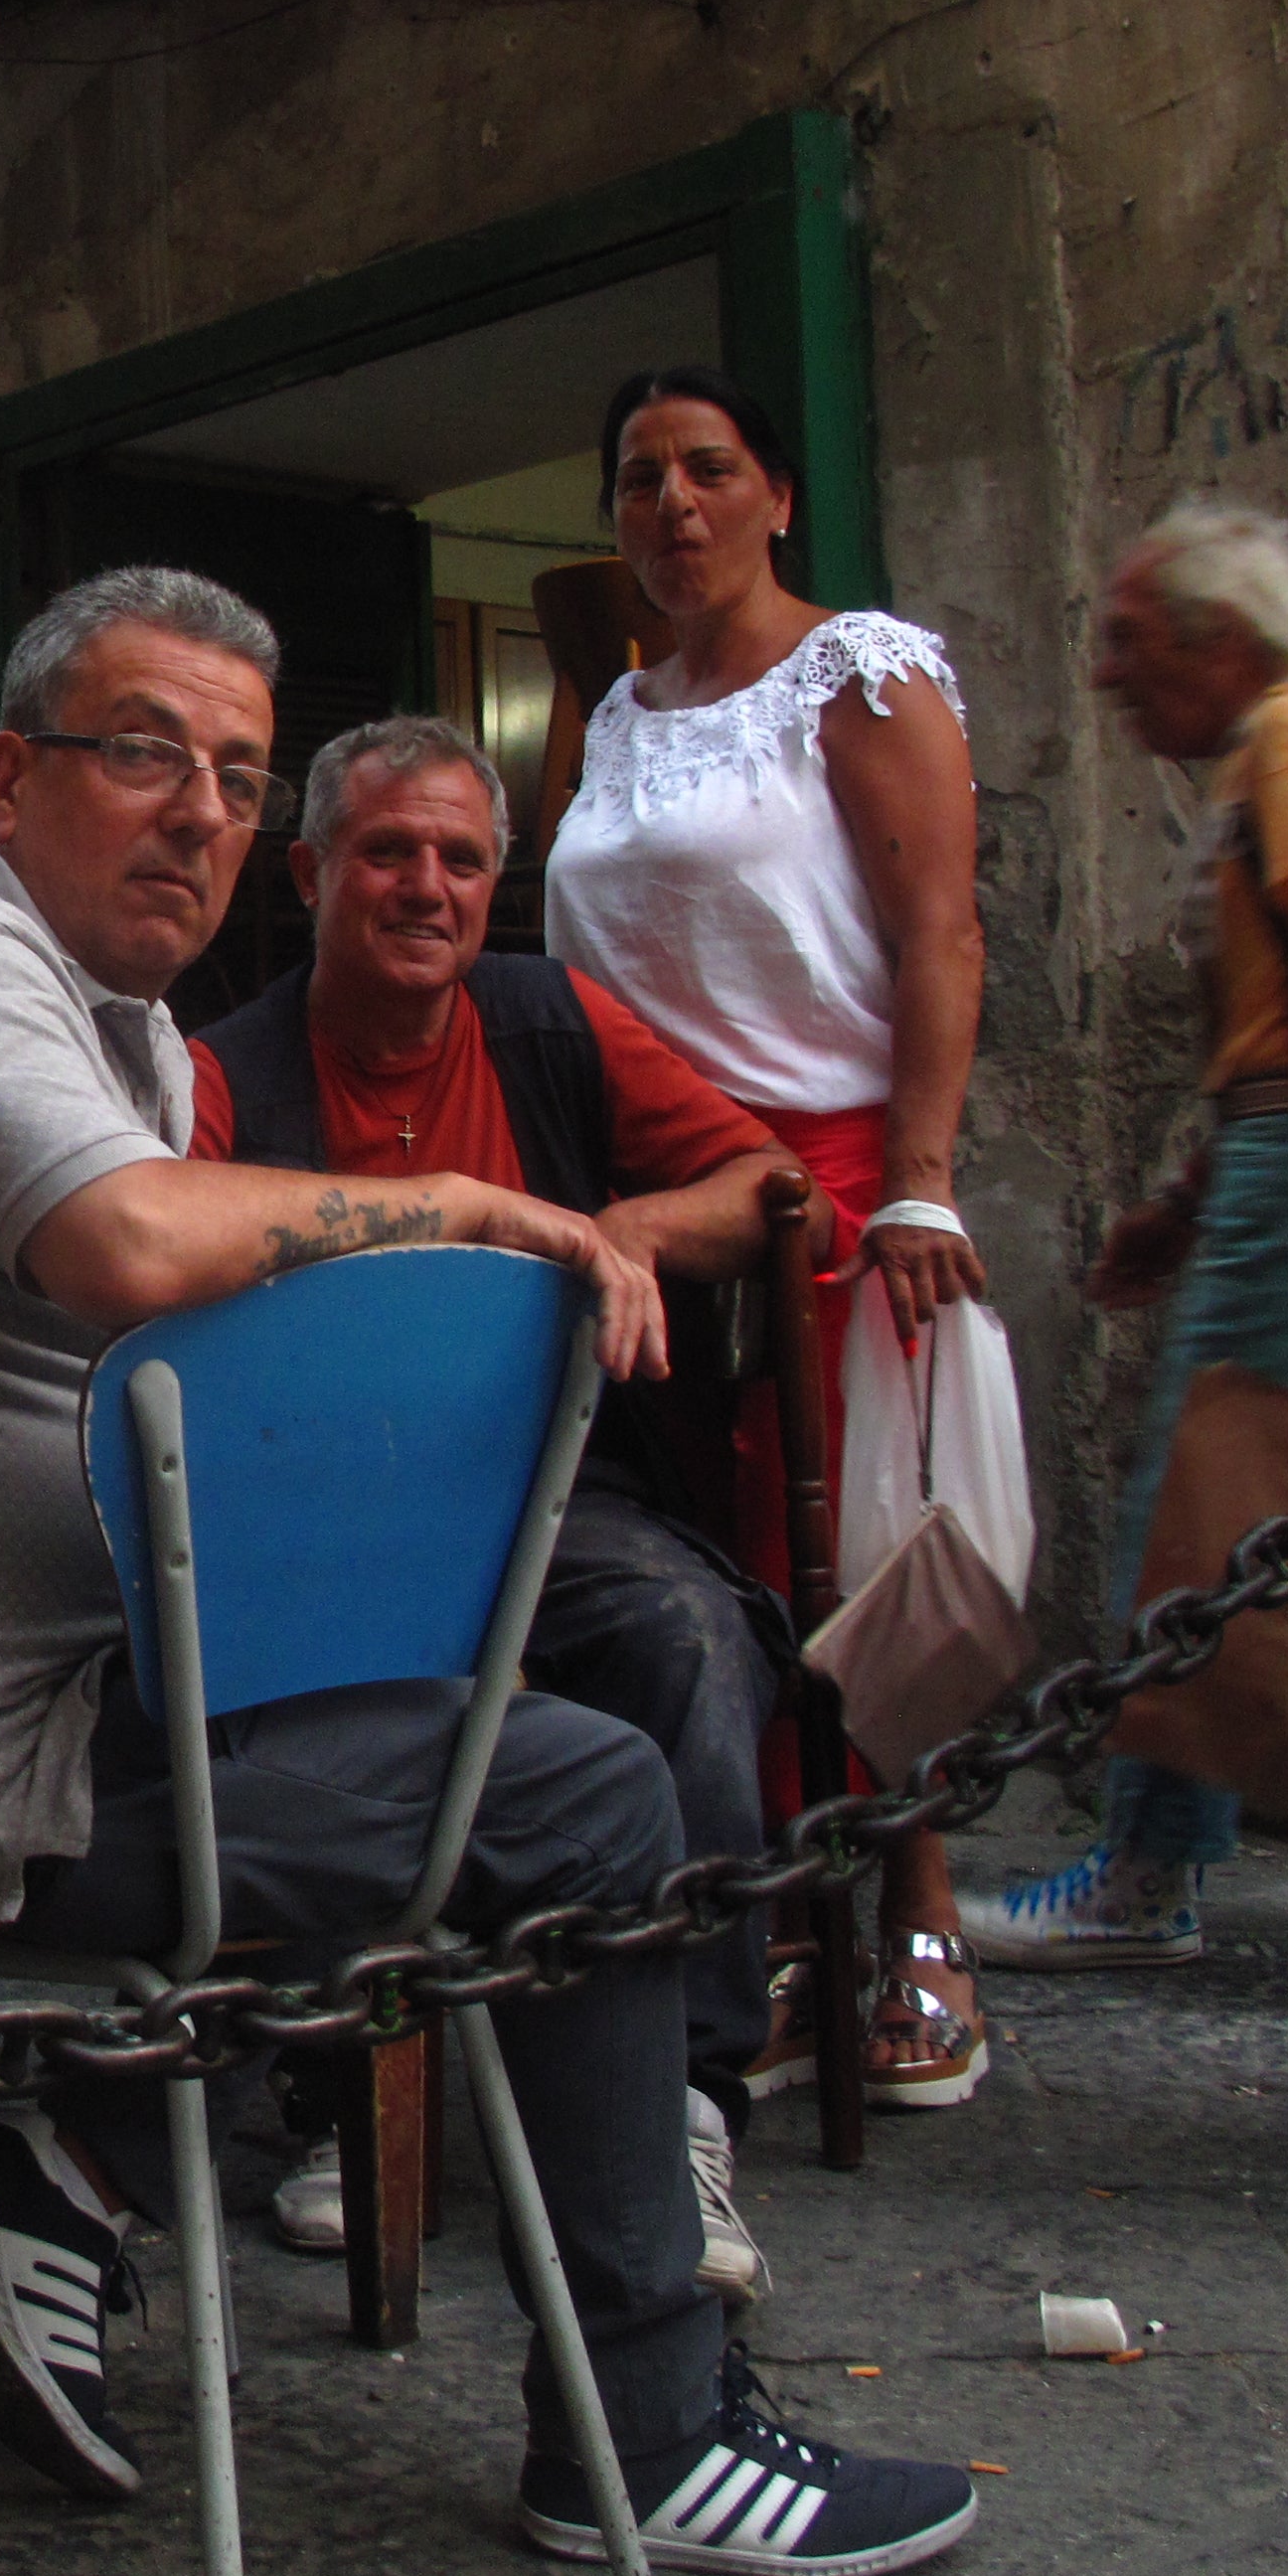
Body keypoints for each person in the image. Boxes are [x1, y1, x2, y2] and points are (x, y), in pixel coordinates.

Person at [0, 565, 974, 2576]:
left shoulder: (113, 1025)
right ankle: (641, 2444)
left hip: (82, 1703)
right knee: (575, 1791)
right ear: (13, 776)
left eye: (233, 769)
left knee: (504, 1716)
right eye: (145, 755)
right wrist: (475, 1206)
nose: (200, 811)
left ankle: (67, 2139)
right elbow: (129, 1252)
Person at [185, 714, 797, 2279]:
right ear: (313, 870)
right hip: (331, 1501)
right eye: (388, 851)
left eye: (461, 858)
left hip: (550, 1487)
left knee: (684, 1637)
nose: (426, 886)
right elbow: (166, 1262)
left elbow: (759, 1184)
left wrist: (619, 1235)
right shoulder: (222, 1074)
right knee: (334, 1693)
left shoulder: (551, 1021)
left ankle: (686, 2105)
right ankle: (339, 2083)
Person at [540, 368, 999, 2114]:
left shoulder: (856, 672)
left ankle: (919, 1909)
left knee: (856, 1551)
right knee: (697, 1555)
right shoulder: (618, 716)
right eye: (639, 475)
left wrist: (922, 1176)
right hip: (646, 1180)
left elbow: (937, 932)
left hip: (818, 1170)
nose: (671, 503)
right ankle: (776, 1927)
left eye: (708, 468)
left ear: (776, 497)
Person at [959, 502, 1288, 1966]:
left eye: (1130, 642)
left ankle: (1145, 1871)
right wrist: (1191, 1208)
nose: (1111, 677)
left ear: (1219, 638)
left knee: (1201, 1524)